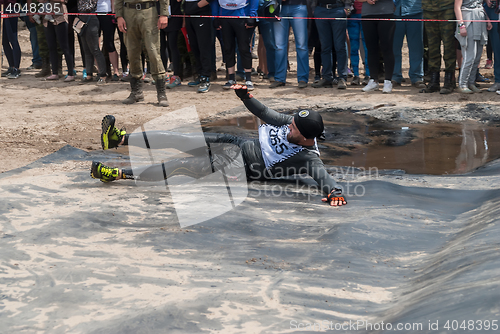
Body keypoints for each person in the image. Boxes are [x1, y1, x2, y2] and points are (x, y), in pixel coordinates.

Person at [90, 85, 348, 207]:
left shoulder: (308, 156)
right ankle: (119, 139)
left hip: (238, 166)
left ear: (304, 137)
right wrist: (246, 96)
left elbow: (322, 177)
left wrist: (334, 192)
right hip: (236, 143)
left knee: (181, 164)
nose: (287, 127)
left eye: (292, 129)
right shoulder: (293, 124)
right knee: (182, 138)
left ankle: (117, 175)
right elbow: (267, 113)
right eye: (290, 124)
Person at [115, 0, 169, 106]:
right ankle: (136, 92)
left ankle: (161, 93)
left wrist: (164, 13)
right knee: (132, 53)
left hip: (149, 11)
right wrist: (119, 16)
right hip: (128, 13)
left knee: (153, 52)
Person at [214, 0, 258, 91]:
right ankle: (231, 78)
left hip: (241, 14)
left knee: (244, 48)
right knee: (228, 48)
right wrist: (215, 17)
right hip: (224, 15)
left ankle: (248, 79)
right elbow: (215, 2)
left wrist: (252, 15)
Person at [311, 0, 352, 89]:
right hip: (321, 10)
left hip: (338, 9)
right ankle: (327, 77)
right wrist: (314, 9)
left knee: (340, 46)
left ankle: (342, 77)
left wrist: (347, 7)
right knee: (325, 46)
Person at [454, 0, 491, 93]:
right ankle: (462, 84)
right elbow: (457, 7)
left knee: (477, 56)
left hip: (480, 19)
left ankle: (471, 83)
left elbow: (481, 5)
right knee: (469, 56)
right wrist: (461, 25)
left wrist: (487, 19)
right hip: (468, 20)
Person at [271, 0, 310, 88]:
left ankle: (303, 78)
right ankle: (279, 78)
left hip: (298, 6)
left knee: (301, 45)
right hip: (280, 7)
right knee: (279, 46)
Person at [360, 0, 396, 93]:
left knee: (386, 48)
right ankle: (373, 80)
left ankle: (388, 81)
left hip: (386, 13)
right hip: (367, 15)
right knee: (371, 48)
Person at [422, 0, 456, 94]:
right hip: (429, 8)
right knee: (432, 46)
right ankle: (434, 81)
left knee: (448, 46)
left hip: (447, 7)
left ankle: (449, 81)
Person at [392, 0, 426, 88]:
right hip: (395, 12)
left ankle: (417, 77)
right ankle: (395, 76)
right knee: (394, 47)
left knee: (416, 47)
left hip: (415, 11)